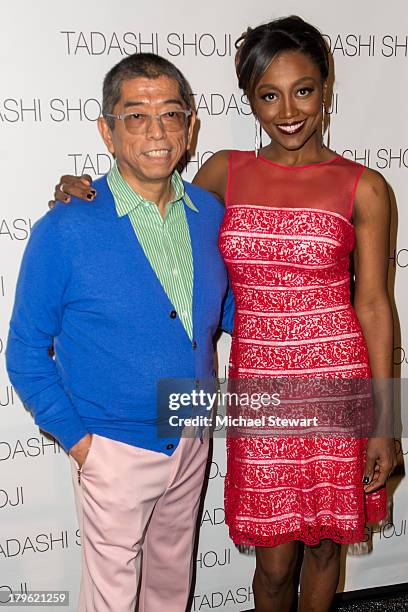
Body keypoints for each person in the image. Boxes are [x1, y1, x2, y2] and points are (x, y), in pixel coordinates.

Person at [50, 16, 397, 612]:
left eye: (304, 89)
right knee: (273, 561)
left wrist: (387, 422)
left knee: (322, 553)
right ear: (251, 101)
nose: (288, 109)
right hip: (260, 388)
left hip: (335, 384)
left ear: (326, 88)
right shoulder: (223, 172)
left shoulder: (364, 187)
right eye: (269, 94)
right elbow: (149, 191)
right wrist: (81, 188)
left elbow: (373, 304)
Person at [6, 53, 233, 612]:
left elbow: (223, 315)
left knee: (170, 584)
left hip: (191, 429)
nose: (156, 131)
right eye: (136, 116)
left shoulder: (210, 212)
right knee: (109, 600)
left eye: (171, 114)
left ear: (190, 127)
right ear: (107, 132)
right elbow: (25, 351)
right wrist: (84, 445)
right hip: (113, 445)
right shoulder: (66, 226)